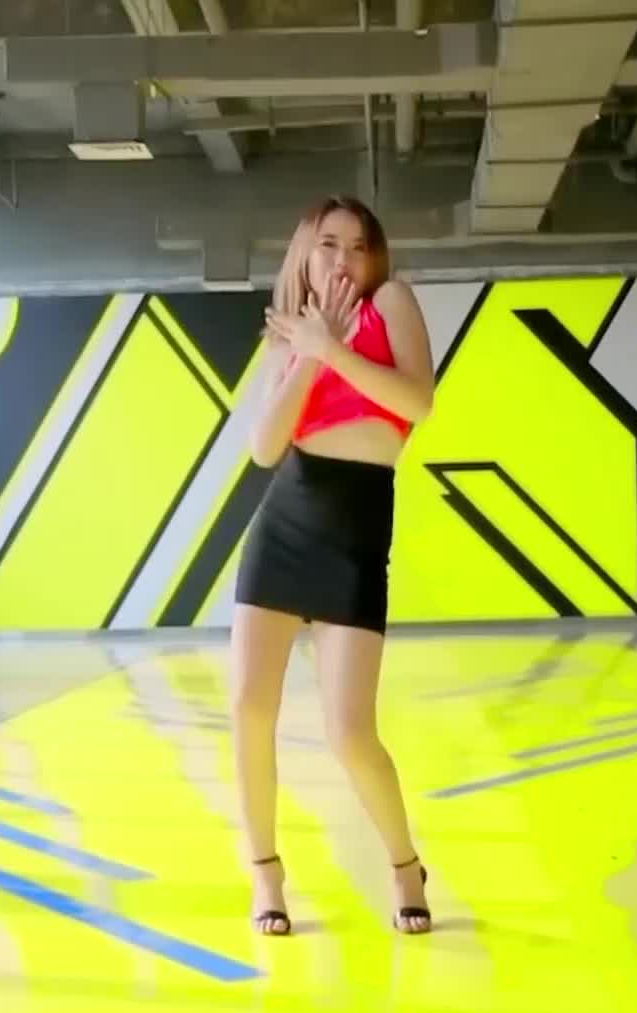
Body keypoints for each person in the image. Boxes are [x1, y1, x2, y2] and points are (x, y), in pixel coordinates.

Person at [232, 195, 438, 935]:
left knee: (351, 733)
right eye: (329, 244)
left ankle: (405, 865)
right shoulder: (288, 334)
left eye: (357, 245)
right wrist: (308, 351)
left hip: (356, 531)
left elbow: (417, 402)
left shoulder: (393, 302)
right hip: (285, 524)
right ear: (306, 252)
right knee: (249, 708)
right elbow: (265, 447)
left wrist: (336, 350)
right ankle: (265, 873)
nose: (344, 258)